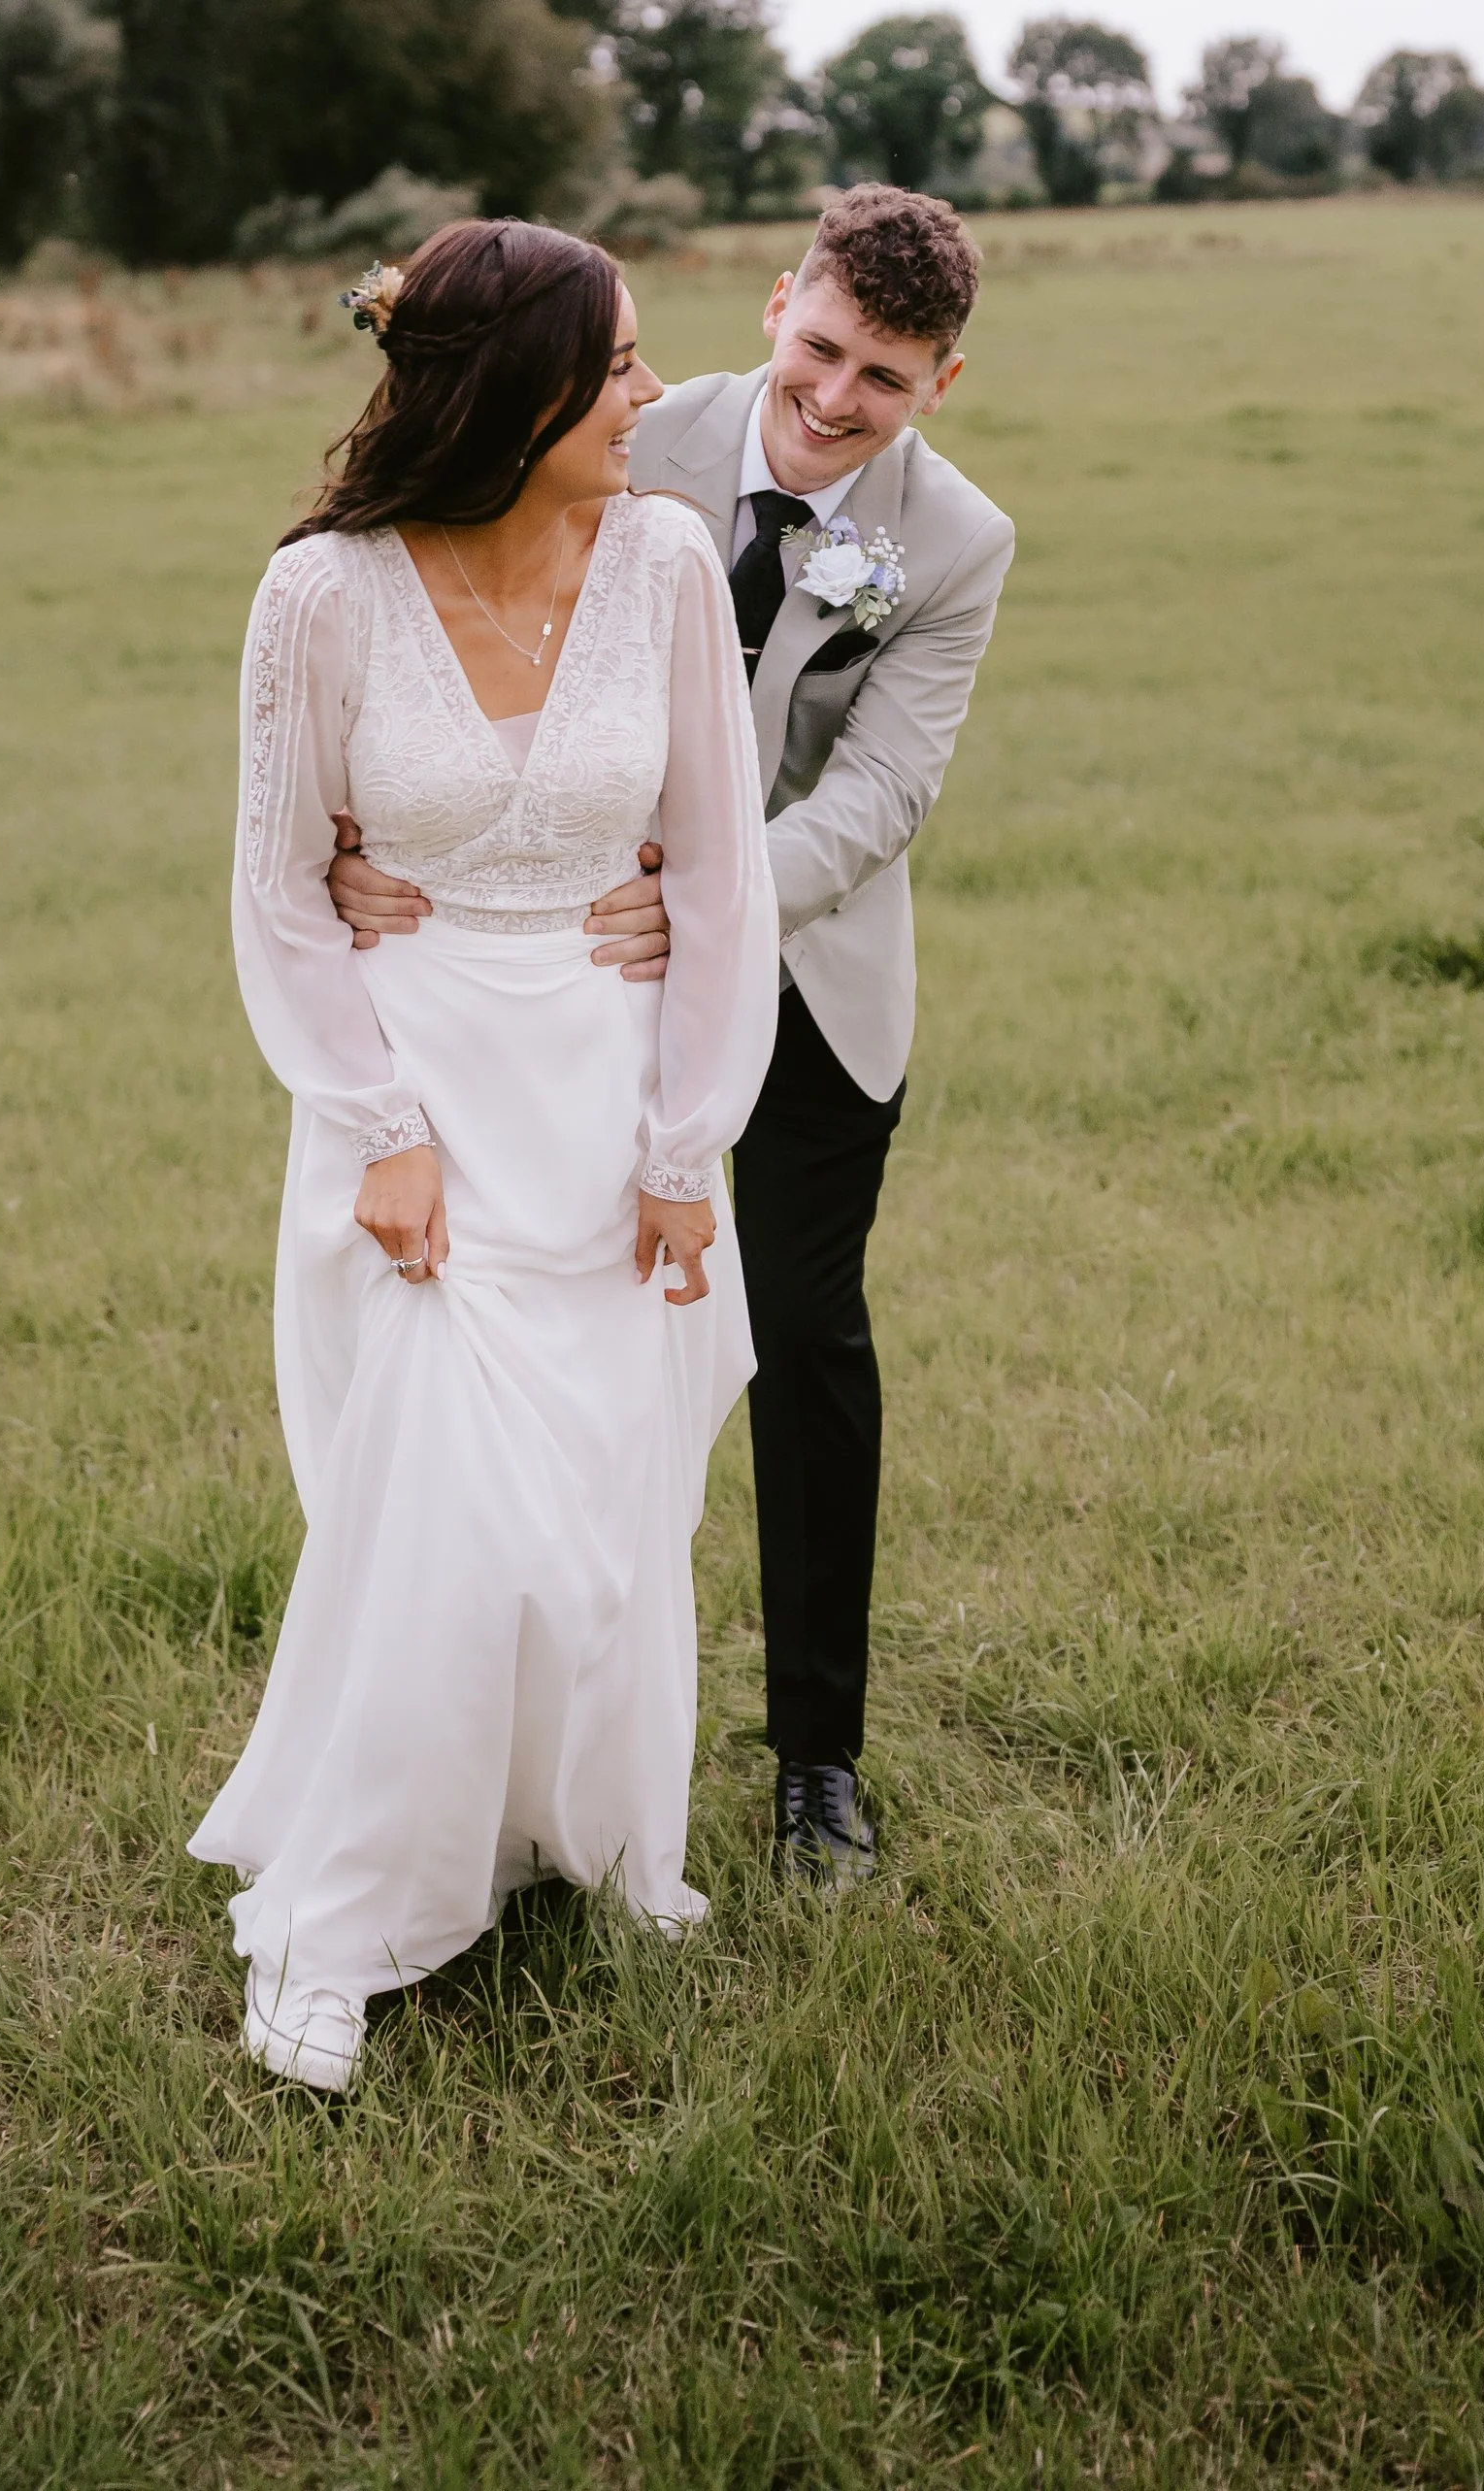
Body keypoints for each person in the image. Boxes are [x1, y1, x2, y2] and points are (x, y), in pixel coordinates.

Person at [331, 185, 1012, 1889]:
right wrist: (368, 838)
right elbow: (437, 611)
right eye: (822, 346)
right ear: (783, 301)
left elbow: (885, 787)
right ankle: (521, 1756)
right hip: (562, 972)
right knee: (546, 1332)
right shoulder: (623, 423)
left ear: (945, 379)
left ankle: (817, 1764)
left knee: (805, 1346)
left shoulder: (959, 542)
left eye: (889, 375)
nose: (838, 396)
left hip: (800, 984)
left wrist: (714, 898)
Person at [189, 218, 777, 2093]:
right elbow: (280, 895)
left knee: (604, 1515)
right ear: (512, 390)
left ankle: (595, 1843)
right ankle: (336, 1925)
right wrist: (377, 1128)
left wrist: (691, 1138)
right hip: (409, 1097)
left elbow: (721, 873)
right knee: (438, 1526)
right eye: (615, 362)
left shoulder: (670, 561)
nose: (653, 392)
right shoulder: (324, 597)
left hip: (609, 1096)